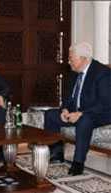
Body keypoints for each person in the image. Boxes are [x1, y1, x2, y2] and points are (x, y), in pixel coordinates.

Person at [45, 42, 111, 176]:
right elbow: (69, 97)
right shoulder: (75, 72)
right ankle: (56, 153)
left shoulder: (102, 73)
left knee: (84, 121)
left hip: (98, 113)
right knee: (50, 115)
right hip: (76, 111)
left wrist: (81, 113)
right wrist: (64, 110)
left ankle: (78, 163)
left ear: (83, 58)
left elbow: (106, 103)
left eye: (71, 58)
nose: (69, 62)